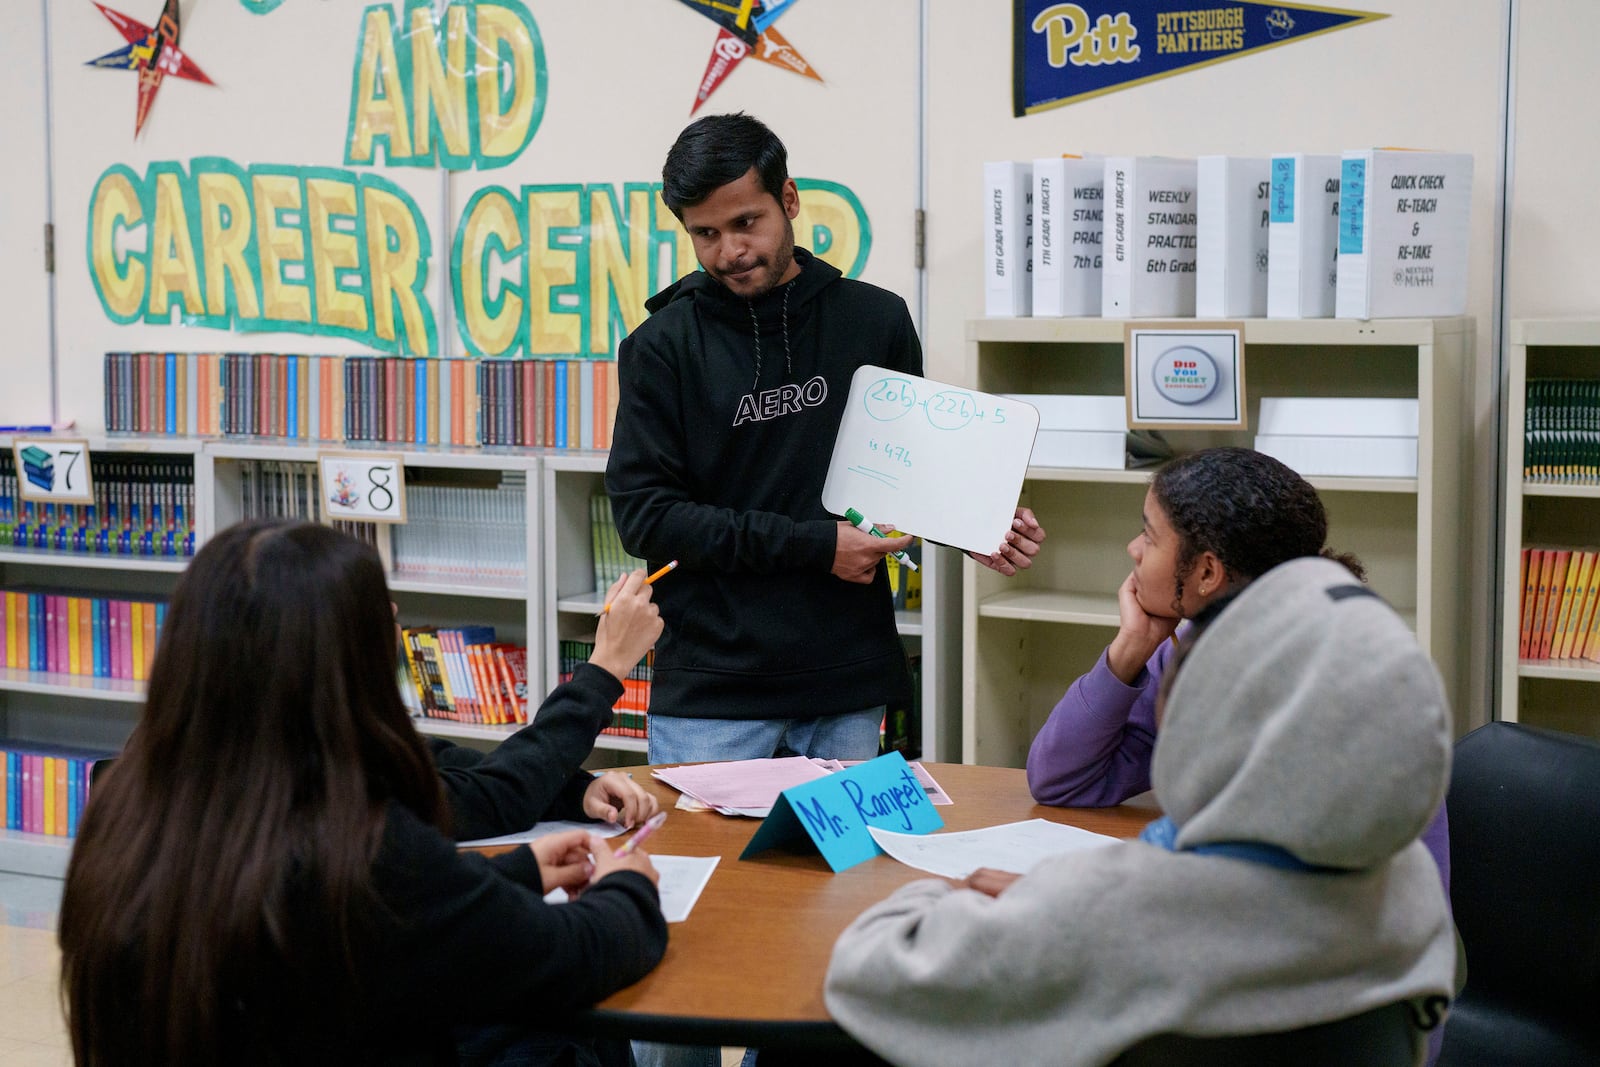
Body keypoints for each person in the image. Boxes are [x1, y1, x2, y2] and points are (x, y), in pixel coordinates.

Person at [59, 519, 669, 1067]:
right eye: (381, 615)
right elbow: (578, 953)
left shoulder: (126, 808)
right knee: (570, 1034)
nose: (398, 612)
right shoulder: (355, 844)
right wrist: (630, 885)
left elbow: (386, 920)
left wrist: (512, 876)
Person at [825, 556, 1458, 1067]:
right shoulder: (1410, 894)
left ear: (1204, 714)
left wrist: (1021, 904)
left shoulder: (1112, 910)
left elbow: (867, 971)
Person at [605, 110, 1044, 771]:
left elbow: (906, 475)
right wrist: (818, 546)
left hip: (848, 680)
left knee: (848, 877)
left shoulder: (875, 320)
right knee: (718, 877)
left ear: (788, 199)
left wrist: (976, 520)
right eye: (705, 234)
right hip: (715, 693)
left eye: (746, 222)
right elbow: (648, 518)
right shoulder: (661, 347)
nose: (729, 251)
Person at [1025, 447, 1450, 891]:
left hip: (1348, 942)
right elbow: (1060, 781)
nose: (1133, 549)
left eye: (1149, 536)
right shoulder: (1207, 643)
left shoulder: (1317, 675)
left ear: (1207, 572)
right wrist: (1131, 648)